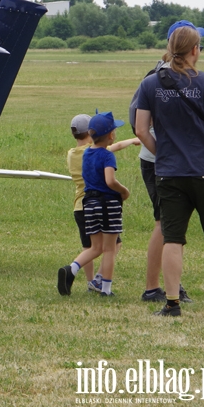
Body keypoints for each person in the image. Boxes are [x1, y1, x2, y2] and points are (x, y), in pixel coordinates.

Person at [135, 23, 204, 317]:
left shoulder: (150, 84)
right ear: (195, 50)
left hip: (169, 173)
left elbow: (141, 130)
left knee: (173, 238)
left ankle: (172, 303)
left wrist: (163, 153)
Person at [58, 111, 130, 297]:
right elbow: (110, 181)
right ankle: (105, 289)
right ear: (111, 135)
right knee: (110, 249)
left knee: (94, 247)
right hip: (107, 203)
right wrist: (123, 191)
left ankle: (72, 269)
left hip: (86, 203)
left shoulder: (85, 153)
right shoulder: (106, 155)